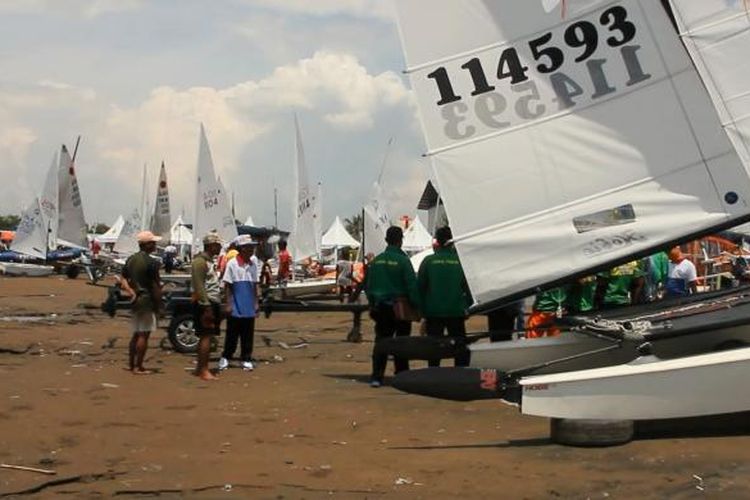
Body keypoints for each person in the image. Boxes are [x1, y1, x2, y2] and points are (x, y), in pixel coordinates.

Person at [365, 226, 419, 387]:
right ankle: (402, 375)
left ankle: (377, 377)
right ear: (400, 240)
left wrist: (373, 304)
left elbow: (369, 287)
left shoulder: (377, 261)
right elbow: (411, 287)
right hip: (401, 308)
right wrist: (417, 307)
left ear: (386, 240)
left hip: (381, 308)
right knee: (402, 342)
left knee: (381, 342)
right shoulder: (403, 261)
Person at [417, 226, 471, 367]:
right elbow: (468, 287)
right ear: (452, 242)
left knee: (434, 347)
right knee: (459, 346)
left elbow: (420, 288)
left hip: (433, 312)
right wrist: (468, 306)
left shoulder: (428, 261)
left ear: (437, 242)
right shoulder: (460, 262)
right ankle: (460, 373)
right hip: (456, 310)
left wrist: (421, 311)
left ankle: (433, 373)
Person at [120, 230, 162, 374]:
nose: (155, 245)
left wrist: (130, 291)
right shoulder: (152, 262)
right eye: (153, 243)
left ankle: (132, 364)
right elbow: (156, 286)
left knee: (136, 334)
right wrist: (159, 306)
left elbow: (123, 278)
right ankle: (139, 366)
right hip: (146, 300)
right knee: (144, 334)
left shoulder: (131, 259)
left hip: (135, 300)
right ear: (147, 245)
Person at [220, 234, 260, 371]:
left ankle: (246, 358)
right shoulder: (232, 264)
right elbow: (228, 285)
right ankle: (226, 356)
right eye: (249, 248)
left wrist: (256, 303)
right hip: (236, 303)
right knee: (232, 333)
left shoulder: (253, 265)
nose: (251, 250)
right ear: (242, 249)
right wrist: (228, 303)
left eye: (252, 248)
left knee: (248, 333)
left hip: (248, 302)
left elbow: (254, 285)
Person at [191, 232, 224, 381]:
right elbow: (199, 285)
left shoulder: (209, 261)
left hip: (212, 301)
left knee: (207, 336)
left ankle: (200, 368)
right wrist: (206, 307)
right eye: (218, 245)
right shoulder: (200, 261)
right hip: (207, 303)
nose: (220, 247)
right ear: (211, 246)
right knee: (206, 337)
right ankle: (204, 370)